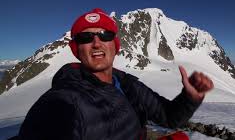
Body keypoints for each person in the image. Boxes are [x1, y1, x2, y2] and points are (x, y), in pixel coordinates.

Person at [16, 8, 214, 140]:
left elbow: (168, 117)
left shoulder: (125, 83)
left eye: (105, 35)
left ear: (115, 45)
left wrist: (189, 99)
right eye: (86, 37)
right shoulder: (63, 101)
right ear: (77, 49)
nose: (96, 43)